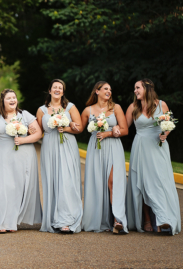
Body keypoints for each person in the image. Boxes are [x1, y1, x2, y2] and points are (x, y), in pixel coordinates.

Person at [125, 78, 181, 235]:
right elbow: (123, 126)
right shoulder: (133, 107)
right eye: (135, 88)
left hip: (158, 147)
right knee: (142, 183)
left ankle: (164, 219)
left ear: (147, 89)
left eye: (138, 88)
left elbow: (169, 124)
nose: (135, 91)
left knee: (159, 181)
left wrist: (165, 134)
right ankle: (148, 219)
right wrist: (104, 125)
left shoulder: (161, 105)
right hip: (140, 147)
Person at [0, 89, 42, 233]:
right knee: (2, 187)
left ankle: (11, 221)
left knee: (16, 188)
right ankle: (1, 222)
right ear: (2, 101)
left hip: (22, 156)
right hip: (0, 157)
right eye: (8, 98)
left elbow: (38, 134)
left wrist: (23, 140)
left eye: (14, 97)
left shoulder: (25, 115)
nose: (12, 100)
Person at [80, 82, 128, 234]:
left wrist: (109, 133)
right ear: (97, 91)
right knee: (98, 182)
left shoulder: (116, 108)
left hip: (113, 146)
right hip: (96, 148)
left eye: (110, 90)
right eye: (106, 89)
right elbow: (80, 128)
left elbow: (125, 129)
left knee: (113, 182)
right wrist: (63, 126)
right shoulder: (88, 110)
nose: (109, 91)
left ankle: (117, 219)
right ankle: (100, 219)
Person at [36, 79, 83, 233]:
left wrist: (67, 128)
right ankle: (53, 218)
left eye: (60, 88)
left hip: (67, 146)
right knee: (53, 181)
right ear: (49, 91)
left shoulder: (70, 107)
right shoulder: (41, 110)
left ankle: (67, 220)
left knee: (67, 181)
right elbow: (37, 131)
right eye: (54, 87)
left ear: (63, 92)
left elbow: (79, 127)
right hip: (49, 148)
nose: (57, 90)